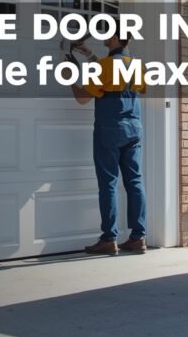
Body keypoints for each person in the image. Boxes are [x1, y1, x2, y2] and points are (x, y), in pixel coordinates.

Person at [69, 31, 147, 255]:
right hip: (134, 128)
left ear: (114, 38)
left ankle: (109, 238)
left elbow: (82, 98)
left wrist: (70, 76)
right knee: (135, 182)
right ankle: (138, 237)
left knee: (109, 184)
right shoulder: (138, 66)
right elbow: (117, 79)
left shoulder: (104, 66)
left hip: (109, 130)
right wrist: (91, 57)